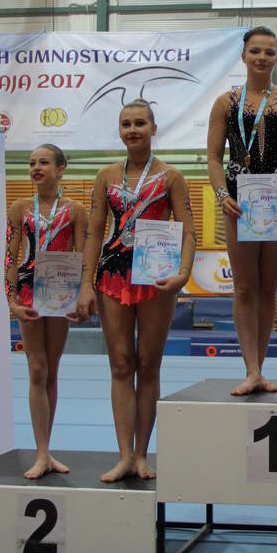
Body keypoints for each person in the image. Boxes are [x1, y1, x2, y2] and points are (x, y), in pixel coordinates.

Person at [77, 100, 196, 483]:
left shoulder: (171, 176)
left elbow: (189, 230)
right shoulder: (106, 176)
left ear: (153, 129)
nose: (133, 130)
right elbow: (94, 232)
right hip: (114, 276)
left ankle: (142, 454)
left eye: (140, 123)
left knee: (148, 364)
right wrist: (86, 284)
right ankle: (124, 456)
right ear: (120, 130)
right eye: (126, 124)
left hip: (156, 277)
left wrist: (183, 274)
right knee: (120, 364)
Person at [207, 25, 277, 396]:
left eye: (269, 52)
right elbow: (213, 158)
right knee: (244, 287)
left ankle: (260, 368)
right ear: (243, 56)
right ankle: (249, 369)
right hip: (239, 203)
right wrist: (221, 194)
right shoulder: (225, 103)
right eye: (255, 51)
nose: (262, 57)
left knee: (268, 287)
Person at [5, 144, 88, 480]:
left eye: (43, 162)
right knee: (36, 370)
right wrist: (11, 299)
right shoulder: (20, 208)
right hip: (28, 290)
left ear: (60, 169)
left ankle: (47, 450)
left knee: (51, 370)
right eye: (31, 163)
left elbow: (82, 255)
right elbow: (11, 255)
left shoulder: (76, 210)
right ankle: (41, 453)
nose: (36, 168)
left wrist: (81, 297)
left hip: (59, 292)